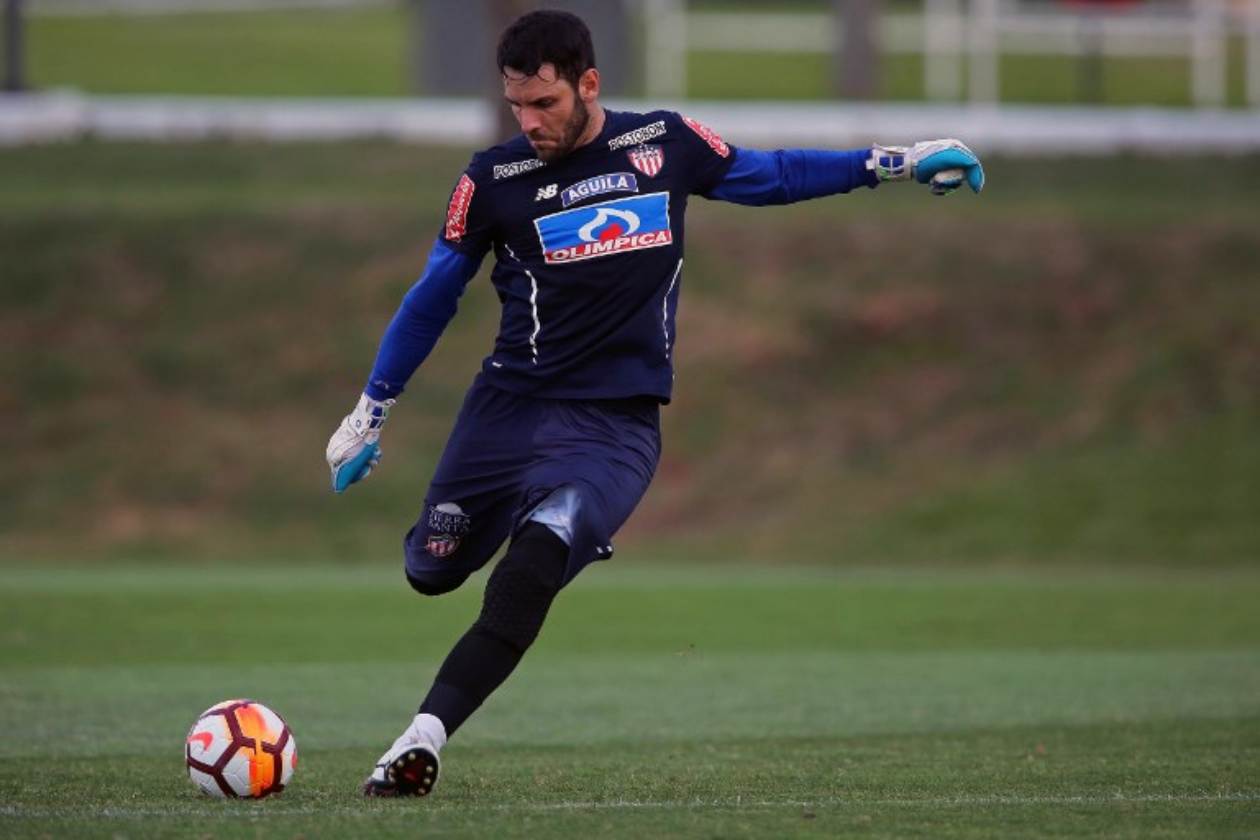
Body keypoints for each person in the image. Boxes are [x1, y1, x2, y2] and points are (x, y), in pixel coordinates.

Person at [325, 9, 984, 798]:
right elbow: (433, 295)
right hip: (507, 411)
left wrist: (898, 163)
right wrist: (370, 409)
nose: (530, 123)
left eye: (546, 104)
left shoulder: (663, 144)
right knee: (430, 572)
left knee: (534, 564)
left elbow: (773, 175)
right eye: (517, 108)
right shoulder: (490, 181)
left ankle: (418, 740)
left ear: (589, 84)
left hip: (614, 427)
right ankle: (510, 520)